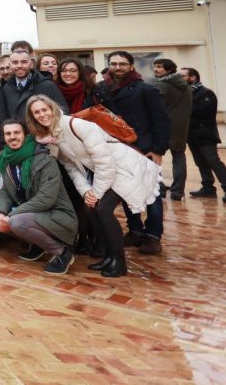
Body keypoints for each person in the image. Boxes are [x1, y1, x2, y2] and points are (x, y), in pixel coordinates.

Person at [26, 96, 161, 277]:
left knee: (103, 209)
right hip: (108, 174)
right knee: (92, 209)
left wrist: (96, 193)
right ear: (32, 117)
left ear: (53, 108)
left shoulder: (77, 125)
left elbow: (104, 162)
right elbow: (71, 167)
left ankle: (119, 263)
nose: (42, 115)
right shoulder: (51, 136)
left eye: (45, 109)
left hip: (126, 169)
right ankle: (108, 257)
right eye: (37, 112)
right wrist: (86, 191)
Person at [0, 120, 79, 274]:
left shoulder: (44, 160)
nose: (12, 137)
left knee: (16, 222)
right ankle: (38, 243)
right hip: (30, 213)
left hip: (58, 214)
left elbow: (46, 199)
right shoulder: (7, 159)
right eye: (8, 133)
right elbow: (5, 192)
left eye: (16, 132)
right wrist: (0, 214)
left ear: (26, 135)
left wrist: (10, 215)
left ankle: (62, 252)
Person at [93, 51, 170, 254]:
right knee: (125, 191)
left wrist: (158, 149)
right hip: (118, 150)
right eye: (113, 64)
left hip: (144, 149)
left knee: (152, 194)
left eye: (122, 64)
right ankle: (135, 230)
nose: (118, 67)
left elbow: (161, 121)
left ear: (131, 66)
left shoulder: (146, 89)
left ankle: (153, 236)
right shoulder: (101, 89)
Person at [149, 58, 192, 201]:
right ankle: (178, 192)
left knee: (154, 158)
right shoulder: (185, 85)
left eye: (159, 67)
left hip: (164, 126)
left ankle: (159, 189)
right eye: (154, 66)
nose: (155, 69)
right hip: (181, 127)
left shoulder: (162, 85)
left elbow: (156, 108)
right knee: (179, 158)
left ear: (168, 70)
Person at [182, 67, 226, 200]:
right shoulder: (186, 94)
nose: (180, 79)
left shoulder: (206, 93)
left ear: (193, 77)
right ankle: (208, 188)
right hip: (192, 134)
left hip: (205, 134)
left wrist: (183, 110)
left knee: (213, 161)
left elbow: (204, 112)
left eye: (183, 76)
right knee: (200, 162)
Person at [1, 49, 67, 120]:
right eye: (15, 62)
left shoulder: (48, 85)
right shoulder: (6, 88)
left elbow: (63, 113)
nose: (19, 65)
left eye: (24, 62)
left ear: (31, 64)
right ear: (10, 65)